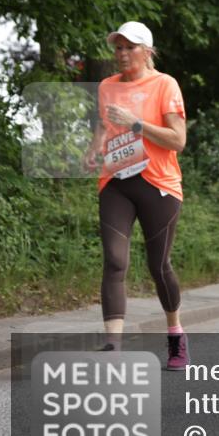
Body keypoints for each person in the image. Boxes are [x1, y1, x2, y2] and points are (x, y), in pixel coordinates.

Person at [81, 22, 189, 370]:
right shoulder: (107, 86)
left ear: (147, 51)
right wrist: (94, 149)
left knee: (159, 265)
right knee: (115, 261)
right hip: (116, 182)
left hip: (158, 184)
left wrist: (136, 124)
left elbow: (178, 140)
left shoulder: (164, 84)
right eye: (118, 47)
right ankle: (113, 347)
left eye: (130, 47)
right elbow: (104, 124)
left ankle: (175, 335)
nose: (123, 54)